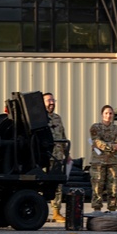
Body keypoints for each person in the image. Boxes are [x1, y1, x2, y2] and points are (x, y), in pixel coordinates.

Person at [43, 92, 72, 222]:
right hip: (43, 157)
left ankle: (56, 212)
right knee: (41, 183)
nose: (51, 103)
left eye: (53, 100)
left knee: (57, 185)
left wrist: (67, 154)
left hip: (57, 156)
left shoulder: (57, 118)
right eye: (48, 100)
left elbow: (63, 136)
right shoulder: (38, 118)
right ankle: (40, 210)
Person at [89, 105, 117, 213]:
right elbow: (97, 142)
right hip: (98, 162)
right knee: (97, 186)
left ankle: (112, 209)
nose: (108, 115)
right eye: (106, 113)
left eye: (110, 113)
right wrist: (111, 146)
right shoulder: (95, 127)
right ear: (102, 114)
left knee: (113, 187)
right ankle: (97, 209)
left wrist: (105, 145)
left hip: (113, 162)